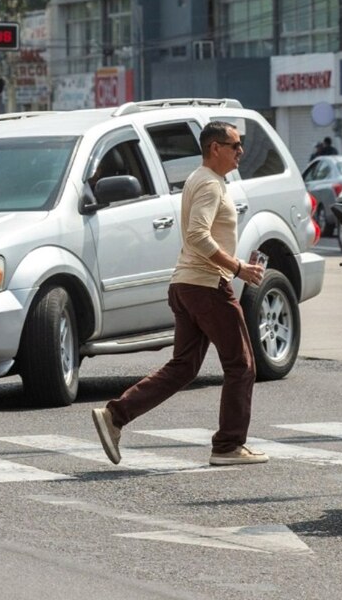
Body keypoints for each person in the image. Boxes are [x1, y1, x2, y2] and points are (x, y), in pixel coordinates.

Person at [93, 121, 269, 467]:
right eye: (234, 145)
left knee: (184, 367)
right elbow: (198, 236)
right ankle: (228, 445)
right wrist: (237, 268)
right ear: (214, 148)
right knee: (242, 365)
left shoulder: (205, 181)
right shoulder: (208, 184)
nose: (241, 152)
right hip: (207, 285)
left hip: (188, 284)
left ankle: (115, 415)